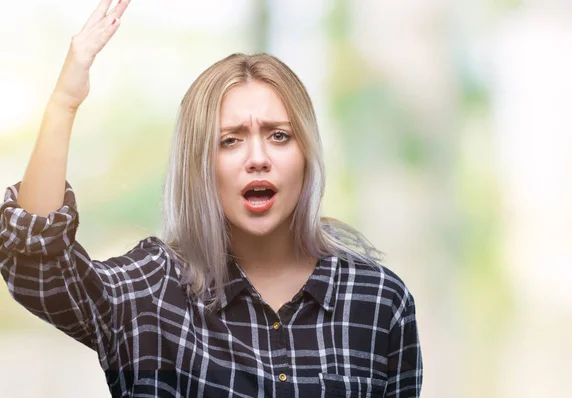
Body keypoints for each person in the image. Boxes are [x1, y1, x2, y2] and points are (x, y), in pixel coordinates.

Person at [0, 0, 423, 397]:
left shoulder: (379, 301)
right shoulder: (153, 289)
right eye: (230, 141)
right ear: (199, 162)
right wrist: (63, 104)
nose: (258, 159)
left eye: (279, 135)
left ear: (307, 153)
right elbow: (40, 268)